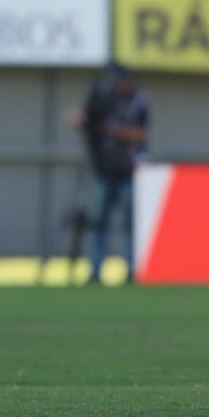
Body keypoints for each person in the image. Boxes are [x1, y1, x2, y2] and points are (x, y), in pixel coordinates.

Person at [81, 63, 150, 284]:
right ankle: (95, 271)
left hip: (128, 171)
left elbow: (140, 134)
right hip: (105, 170)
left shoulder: (138, 101)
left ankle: (131, 271)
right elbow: (86, 119)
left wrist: (111, 129)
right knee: (99, 222)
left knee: (130, 224)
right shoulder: (104, 100)